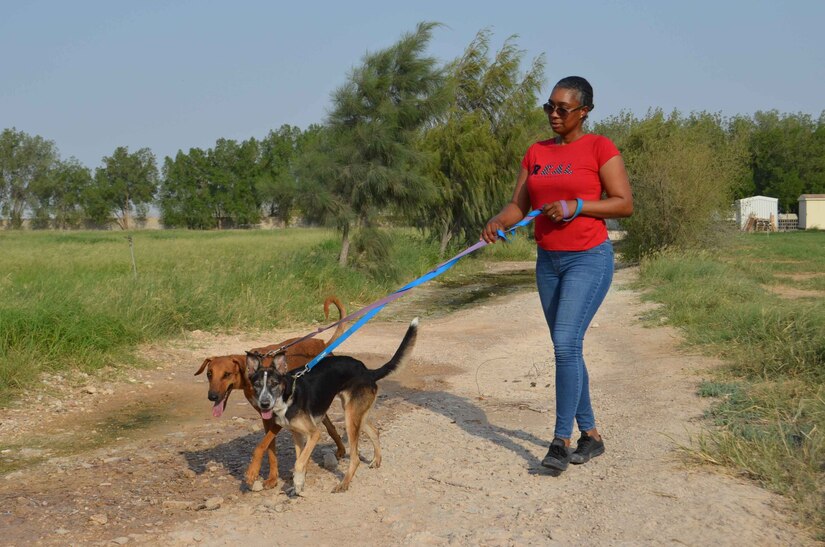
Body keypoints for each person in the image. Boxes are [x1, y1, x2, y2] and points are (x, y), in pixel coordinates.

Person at [481, 76, 633, 472]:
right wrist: (499, 220)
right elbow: (518, 206)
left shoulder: (600, 147)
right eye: (548, 106)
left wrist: (576, 205)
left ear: (584, 111)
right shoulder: (536, 152)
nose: (553, 114)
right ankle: (592, 436)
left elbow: (623, 204)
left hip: (588, 258)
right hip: (548, 261)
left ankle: (560, 441)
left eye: (562, 108)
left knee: (565, 343)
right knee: (569, 347)